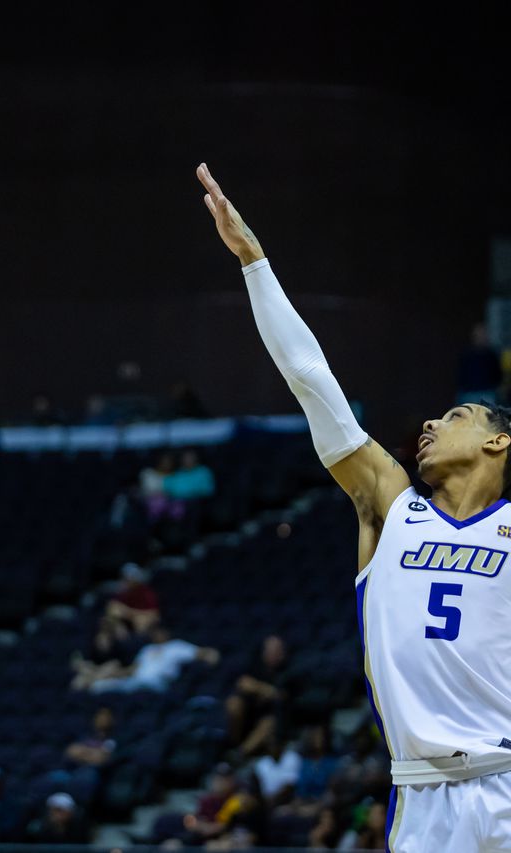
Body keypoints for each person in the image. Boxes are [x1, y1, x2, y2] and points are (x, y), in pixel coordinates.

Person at [199, 162, 511, 852]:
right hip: (425, 801)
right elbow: (314, 381)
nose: (431, 424)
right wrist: (254, 261)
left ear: (499, 440)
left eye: (457, 414)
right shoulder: (391, 503)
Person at [73, 623, 219, 694]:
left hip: (159, 683)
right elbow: (133, 669)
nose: (156, 635)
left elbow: (201, 652)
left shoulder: (176, 646)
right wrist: (113, 674)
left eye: (159, 632)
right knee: (98, 687)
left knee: (140, 682)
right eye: (154, 633)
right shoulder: (147, 649)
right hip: (135, 681)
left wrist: (211, 654)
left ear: (166, 632)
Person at [225, 634, 291, 758]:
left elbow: (282, 695)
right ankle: (232, 743)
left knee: (269, 723)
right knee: (233, 703)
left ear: (283, 653)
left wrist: (258, 689)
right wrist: (267, 690)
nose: (273, 653)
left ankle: (239, 754)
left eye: (277, 650)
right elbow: (243, 683)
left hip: (271, 717)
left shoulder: (287, 670)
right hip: (247, 715)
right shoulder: (255, 665)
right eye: (270, 650)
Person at [24, 792, 91, 844]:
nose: (56, 814)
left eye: (60, 810)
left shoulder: (80, 828)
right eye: (53, 810)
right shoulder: (37, 828)